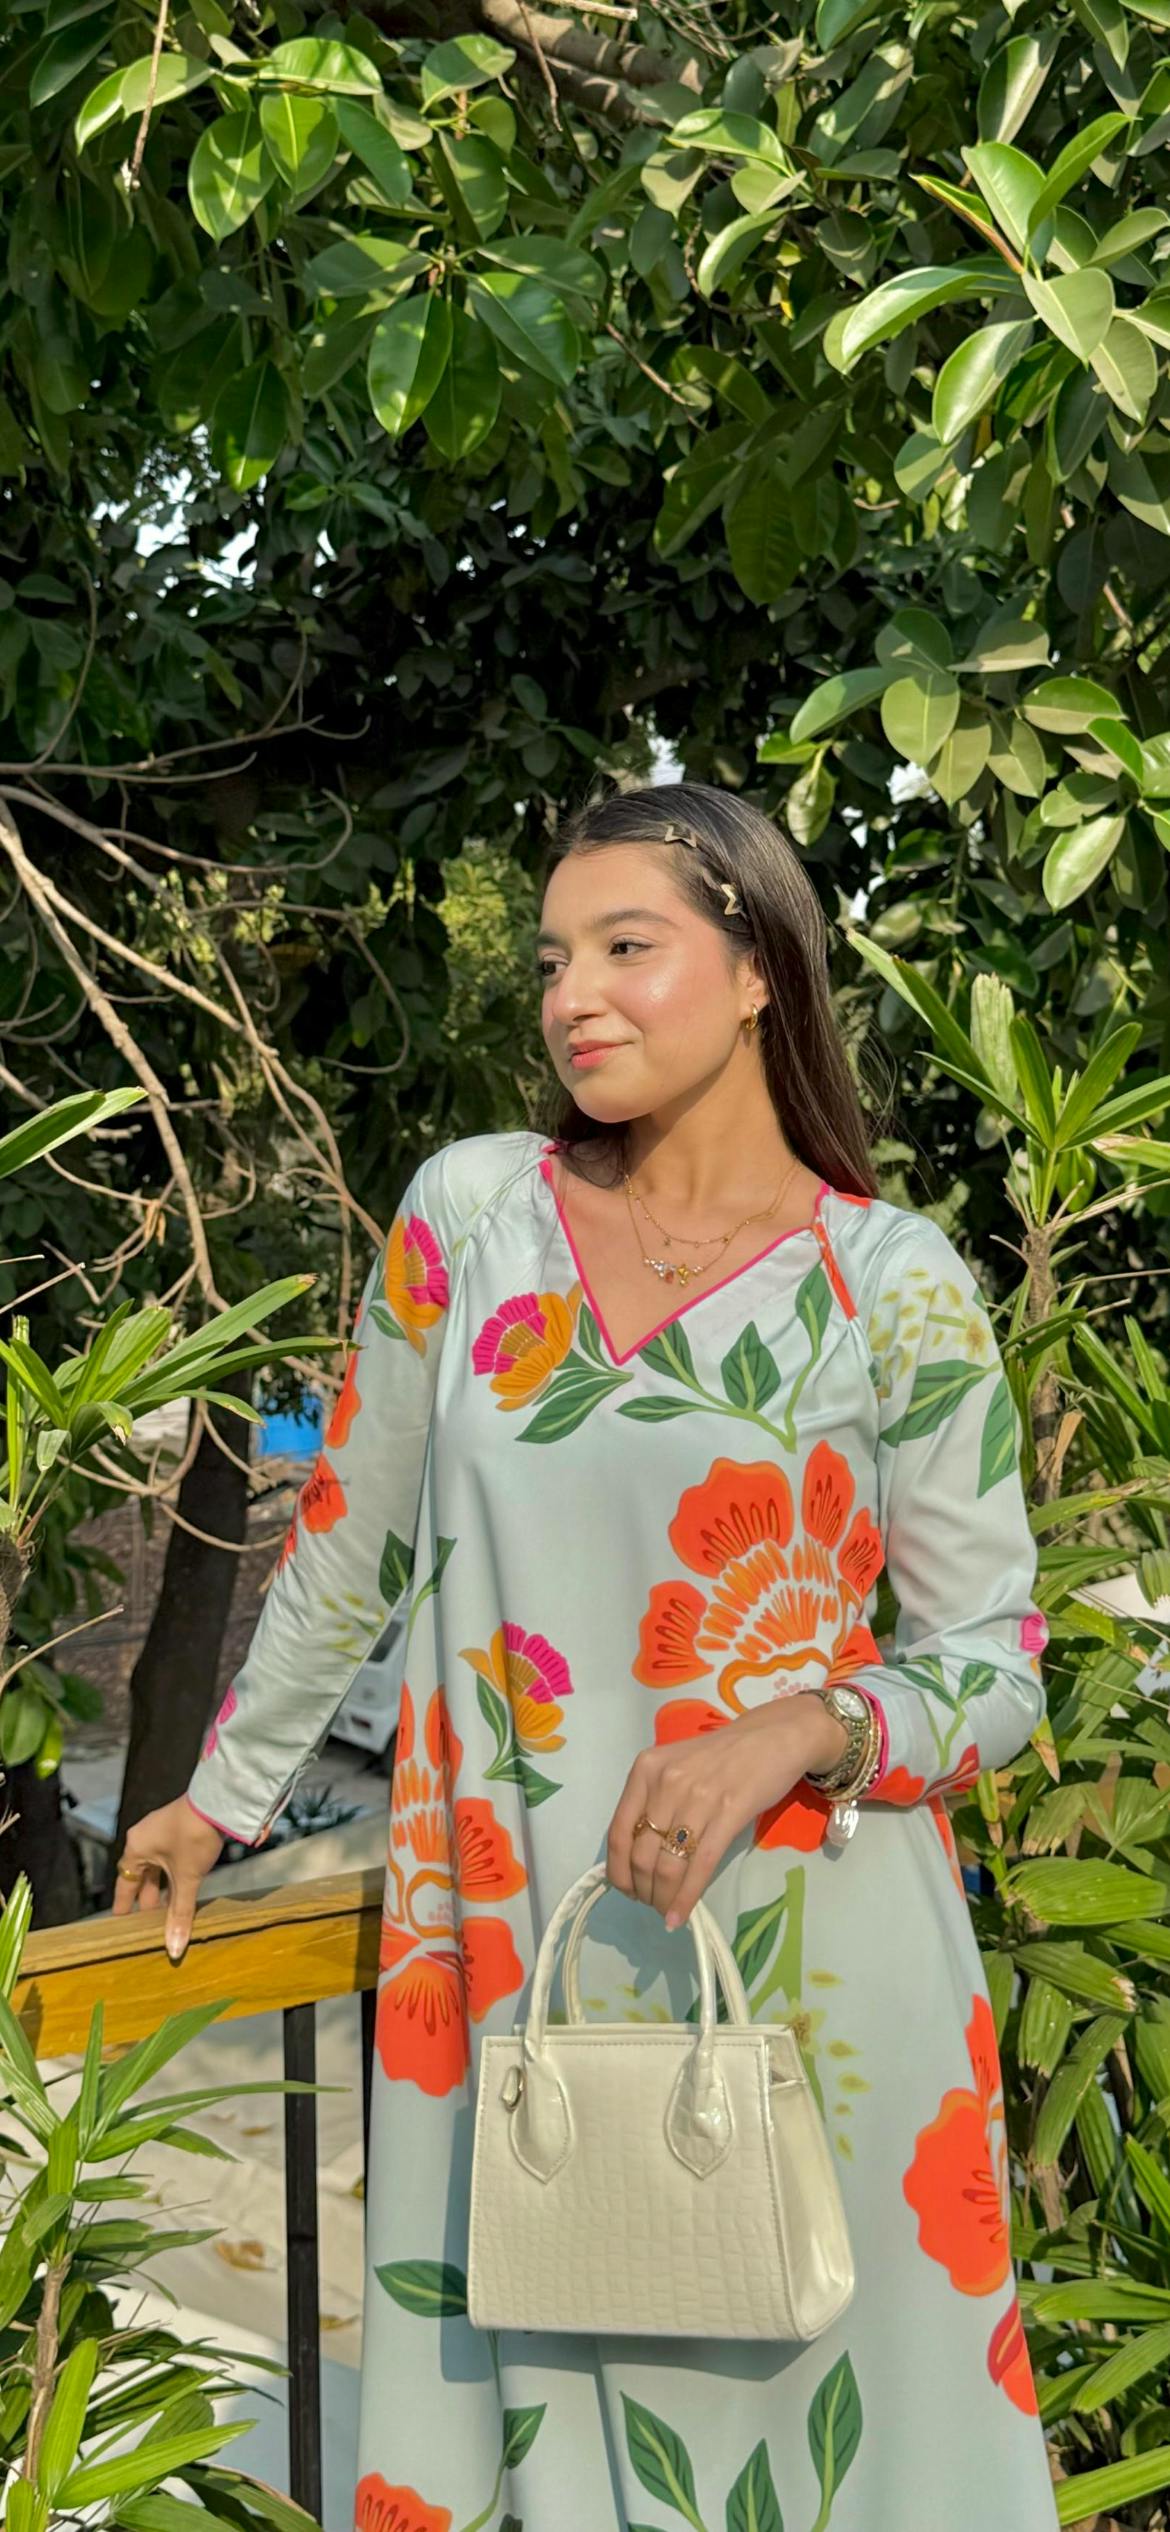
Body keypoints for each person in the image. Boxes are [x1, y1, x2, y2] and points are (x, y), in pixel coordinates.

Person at [114, 783, 1058, 2532]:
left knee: (844, 2461)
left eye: (628, 947)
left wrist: (799, 1726)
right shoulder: (472, 1216)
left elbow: (999, 1659)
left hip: (815, 1978)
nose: (572, 997)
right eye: (552, 960)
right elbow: (349, 1541)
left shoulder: (890, 1280)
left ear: (760, 971)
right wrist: (218, 1797)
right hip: (504, 1958)